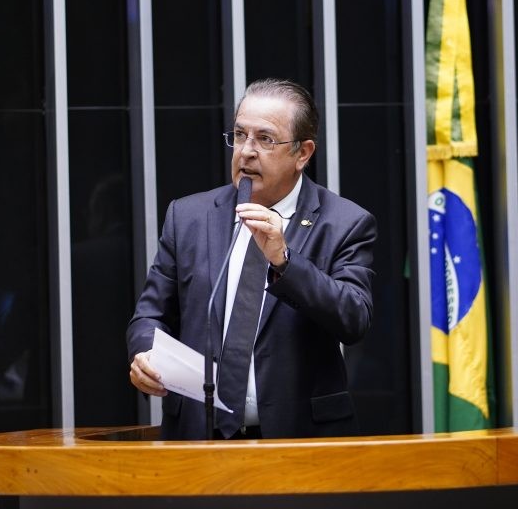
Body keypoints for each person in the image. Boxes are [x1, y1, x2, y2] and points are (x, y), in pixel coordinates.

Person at [127, 78, 376, 440]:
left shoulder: (344, 222)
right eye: (240, 135)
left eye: (265, 139)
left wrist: (285, 261)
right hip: (199, 435)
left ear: (303, 153)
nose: (246, 151)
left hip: (300, 440)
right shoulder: (189, 217)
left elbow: (354, 318)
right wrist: (146, 354)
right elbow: (151, 314)